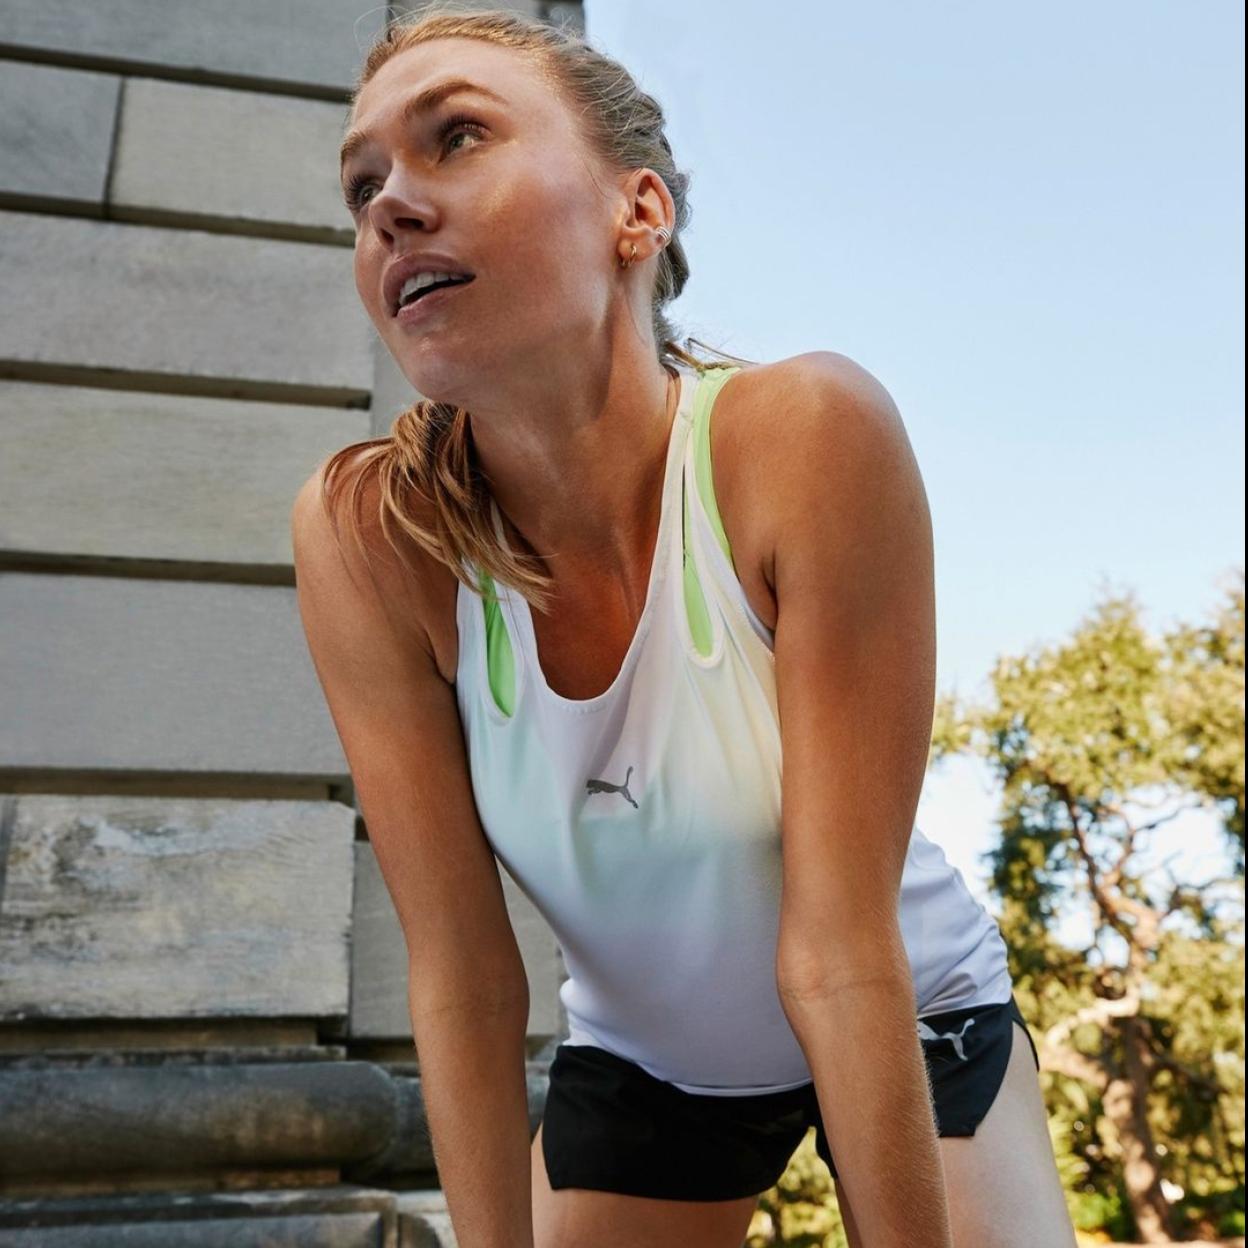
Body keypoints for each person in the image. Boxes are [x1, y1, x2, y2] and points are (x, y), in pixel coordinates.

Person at [291, 6, 1079, 1246]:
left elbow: (835, 948)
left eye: (456, 137)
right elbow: (464, 975)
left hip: (908, 1004)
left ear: (636, 213)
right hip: (651, 1065)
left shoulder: (805, 438)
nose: (390, 201)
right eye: (362, 183)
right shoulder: (364, 540)